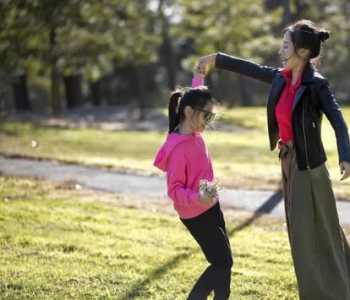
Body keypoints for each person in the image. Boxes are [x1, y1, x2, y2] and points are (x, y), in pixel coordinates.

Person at [196, 19, 350, 300]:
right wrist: (215, 59)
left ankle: (324, 293)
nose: (281, 51)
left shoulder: (316, 85)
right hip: (289, 162)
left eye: (286, 46)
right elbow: (251, 68)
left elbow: (338, 121)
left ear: (302, 52)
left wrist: (346, 156)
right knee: (311, 230)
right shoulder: (281, 77)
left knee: (312, 233)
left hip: (309, 167)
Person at [153, 71, 233, 300]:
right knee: (222, 261)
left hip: (210, 204)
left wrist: (199, 78)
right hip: (196, 213)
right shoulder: (179, 149)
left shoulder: (193, 131)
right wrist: (198, 199)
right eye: (206, 116)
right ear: (189, 113)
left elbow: (195, 97)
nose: (209, 121)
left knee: (224, 261)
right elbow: (174, 190)